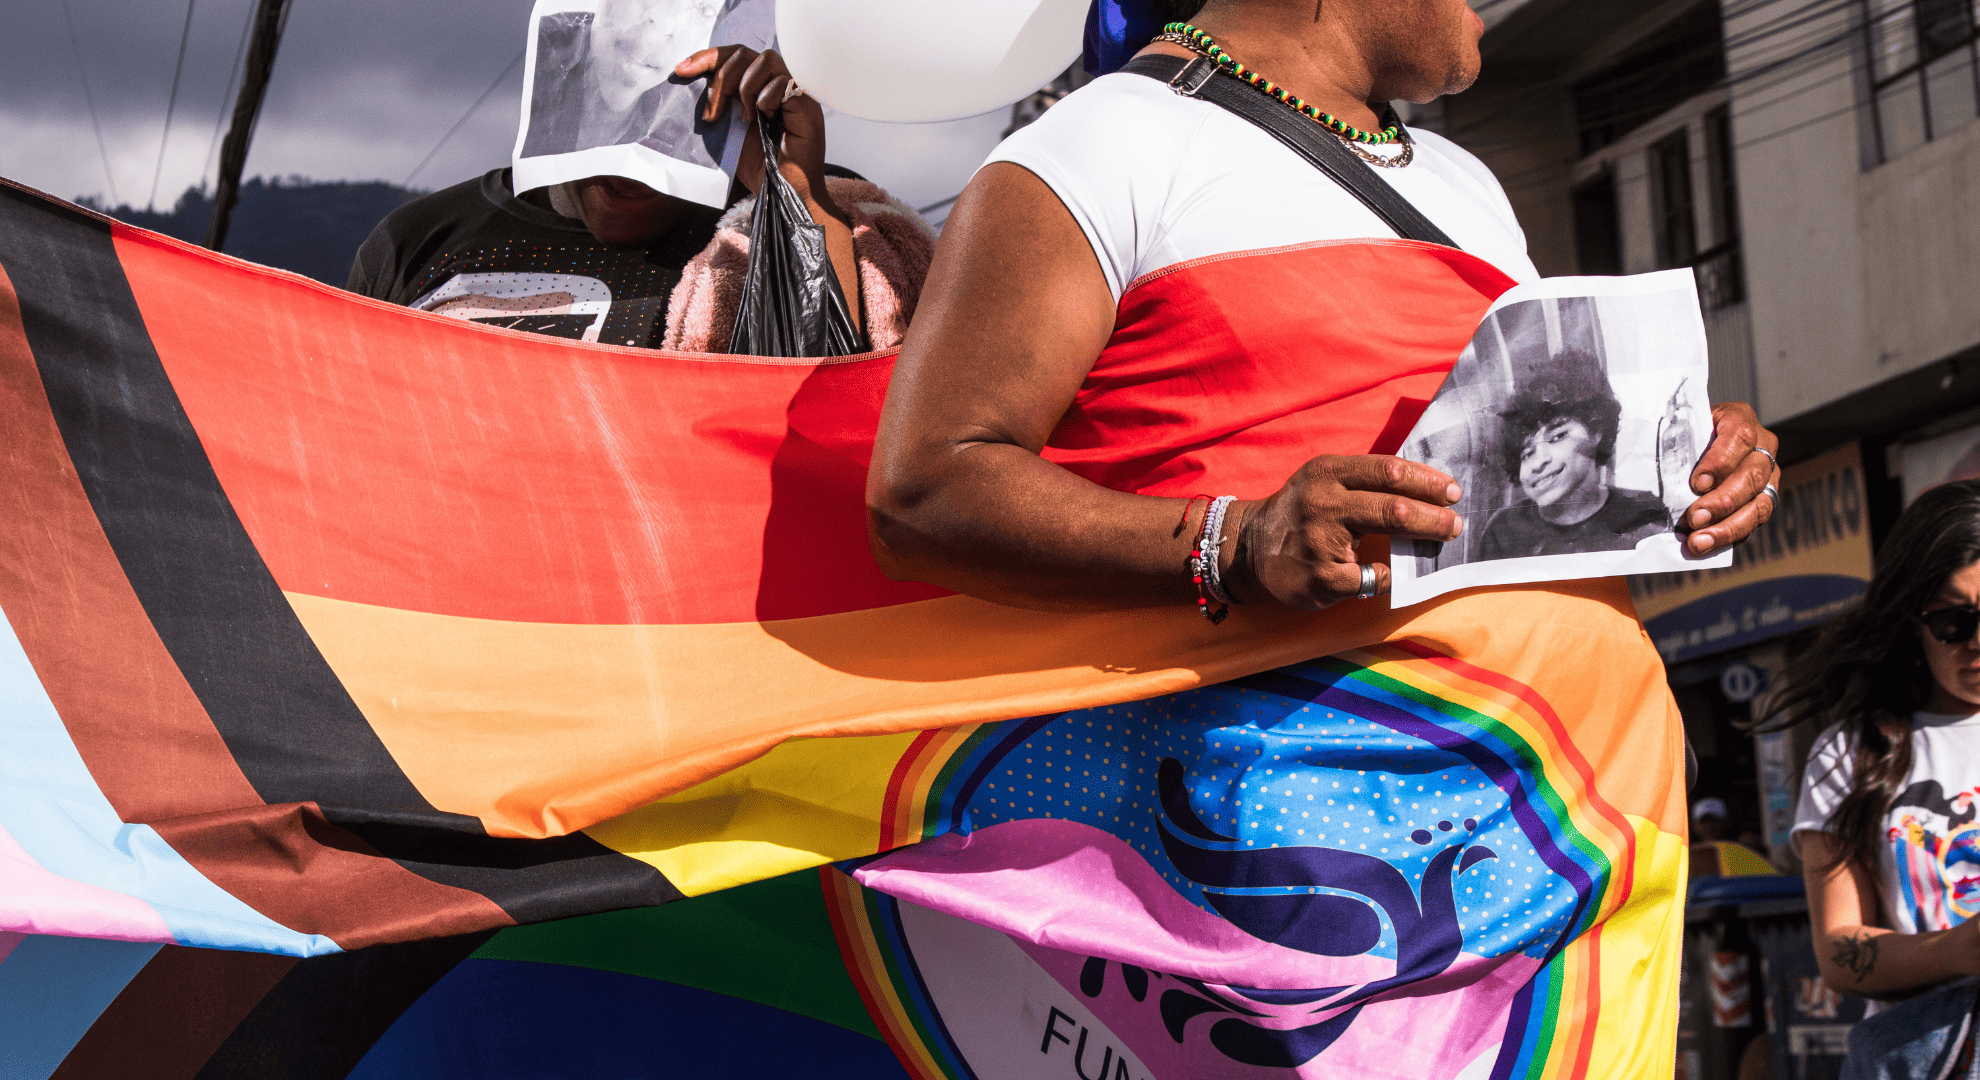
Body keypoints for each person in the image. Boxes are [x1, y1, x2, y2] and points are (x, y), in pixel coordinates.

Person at [863, 0, 1780, 1072]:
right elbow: (924, 492)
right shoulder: (1100, 145)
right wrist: (1237, 542)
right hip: (1319, 896)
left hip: (1569, 861)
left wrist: (1681, 459)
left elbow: (1502, 473)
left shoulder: (1462, 184)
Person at [349, 43, 930, 352]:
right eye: (619, 88)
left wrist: (794, 192)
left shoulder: (811, 212)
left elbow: (833, 416)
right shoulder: (416, 241)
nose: (635, 151)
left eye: (679, 95)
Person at [1780, 481, 1980, 1002]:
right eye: (1954, 622)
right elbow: (1840, 954)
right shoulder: (1852, 751)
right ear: (1913, 624)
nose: (1979, 643)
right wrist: (1958, 949)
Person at [1476, 365, 1671, 561]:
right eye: (1526, 453)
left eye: (1558, 436)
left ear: (1596, 431)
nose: (1538, 462)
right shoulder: (1503, 532)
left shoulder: (1642, 514)